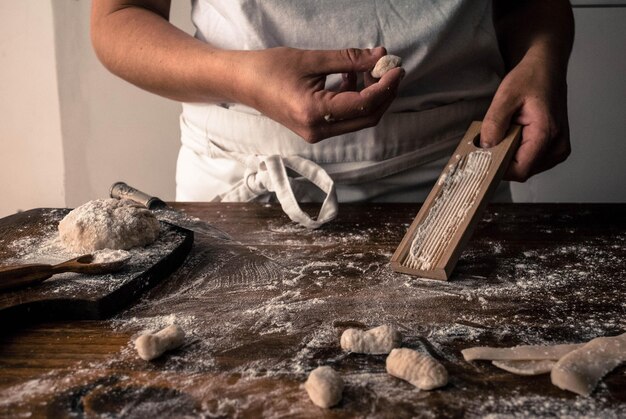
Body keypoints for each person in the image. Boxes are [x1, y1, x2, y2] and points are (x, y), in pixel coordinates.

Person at [91, 0, 573, 228]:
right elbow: (117, 18)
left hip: (454, 172)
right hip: (241, 177)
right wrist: (244, 78)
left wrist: (542, 59)